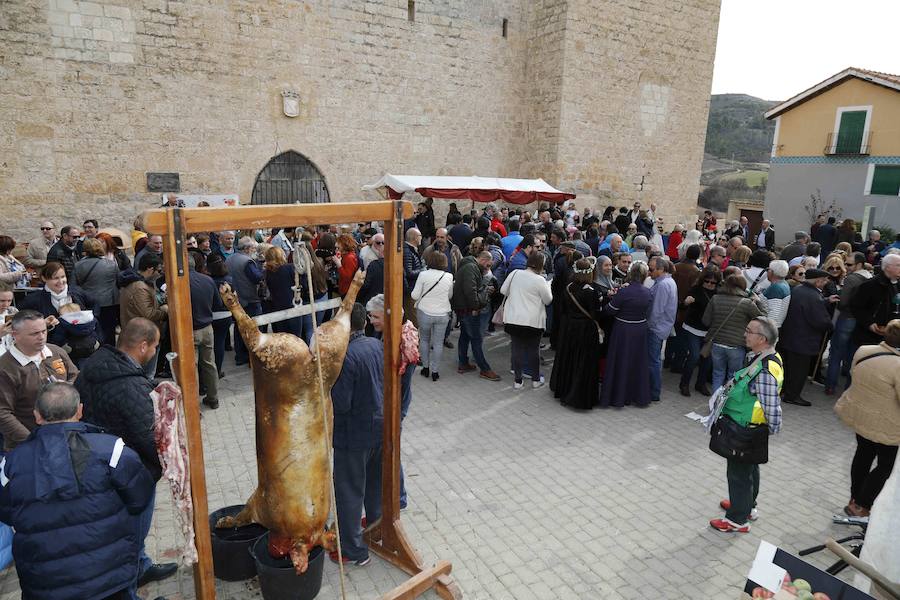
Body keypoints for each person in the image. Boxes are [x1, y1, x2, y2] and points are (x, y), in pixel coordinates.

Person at [0, 382, 159, 600]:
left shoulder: (11, 464)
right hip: (109, 577)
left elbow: (6, 512)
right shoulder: (112, 450)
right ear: (80, 411)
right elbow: (140, 497)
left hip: (45, 584)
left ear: (36, 416)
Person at [74, 317, 179, 588]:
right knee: (134, 529)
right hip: (131, 471)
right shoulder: (129, 386)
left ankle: (138, 564)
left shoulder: (95, 366)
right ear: (143, 346)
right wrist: (173, 467)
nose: (156, 351)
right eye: (155, 346)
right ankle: (131, 577)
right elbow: (150, 438)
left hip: (97, 463)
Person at [709, 317, 784, 533]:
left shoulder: (766, 368)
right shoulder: (762, 357)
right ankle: (747, 506)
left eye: (749, 331)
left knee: (738, 474)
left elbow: (771, 404)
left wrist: (773, 428)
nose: (745, 334)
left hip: (746, 429)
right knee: (750, 469)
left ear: (762, 339)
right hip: (748, 426)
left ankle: (736, 520)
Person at [329, 303, 383, 566]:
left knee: (349, 491)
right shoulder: (376, 345)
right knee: (374, 484)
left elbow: (342, 403)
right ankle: (376, 527)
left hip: (354, 436)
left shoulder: (345, 357)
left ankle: (354, 550)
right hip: (378, 427)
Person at [834, 319, 900, 518]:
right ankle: (862, 504)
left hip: (861, 417)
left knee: (863, 456)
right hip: (888, 426)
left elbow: (855, 374)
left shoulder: (864, 350)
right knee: (885, 466)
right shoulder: (898, 365)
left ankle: (854, 499)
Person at [0, 310, 78, 450]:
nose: (41, 337)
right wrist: (32, 441)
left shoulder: (56, 352)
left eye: (44, 331)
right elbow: (3, 413)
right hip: (26, 446)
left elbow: (75, 376)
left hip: (66, 438)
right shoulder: (5, 368)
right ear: (15, 335)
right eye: (34, 334)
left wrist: (66, 388)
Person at [779, 268, 835, 406]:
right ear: (818, 281)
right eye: (824, 280)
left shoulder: (799, 289)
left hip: (791, 337)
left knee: (789, 367)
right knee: (799, 370)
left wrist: (826, 301)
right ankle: (792, 396)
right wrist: (830, 326)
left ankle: (785, 391)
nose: (825, 283)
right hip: (804, 340)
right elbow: (820, 319)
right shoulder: (813, 296)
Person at [702, 274, 767, 391]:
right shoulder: (747, 303)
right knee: (733, 376)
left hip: (716, 343)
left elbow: (706, 321)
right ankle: (727, 404)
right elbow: (763, 319)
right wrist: (758, 302)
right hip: (737, 346)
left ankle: (715, 403)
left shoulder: (715, 298)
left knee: (717, 374)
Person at [600, 262, 652, 408]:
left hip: (623, 329)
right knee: (637, 362)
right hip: (640, 329)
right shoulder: (648, 292)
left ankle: (618, 396)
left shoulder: (624, 292)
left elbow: (609, 310)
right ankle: (636, 395)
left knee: (620, 361)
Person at [503, 252, 553, 391]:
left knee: (516, 349)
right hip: (533, 321)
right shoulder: (540, 280)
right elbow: (548, 300)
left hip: (513, 319)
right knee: (533, 351)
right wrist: (548, 284)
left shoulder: (514, 274)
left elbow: (503, 291)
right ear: (541, 265)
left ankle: (518, 381)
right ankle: (536, 380)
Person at [21, 261, 97, 348]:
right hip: (52, 346)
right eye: (55, 278)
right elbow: (22, 320)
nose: (61, 281)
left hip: (82, 345)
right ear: (44, 278)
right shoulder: (34, 299)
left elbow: (94, 303)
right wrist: (43, 323)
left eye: (63, 277)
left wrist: (91, 319)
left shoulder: (77, 292)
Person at [826, 252, 871, 394]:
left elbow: (843, 302)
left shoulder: (852, 279)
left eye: (849, 264)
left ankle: (830, 386)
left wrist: (838, 299)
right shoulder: (871, 278)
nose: (846, 266)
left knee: (836, 353)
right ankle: (848, 388)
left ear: (859, 265)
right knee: (852, 355)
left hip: (846, 319)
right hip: (860, 321)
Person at [452, 251, 499, 381]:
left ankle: (463, 363)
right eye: (488, 265)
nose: (488, 268)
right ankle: (485, 369)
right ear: (483, 260)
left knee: (465, 336)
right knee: (476, 339)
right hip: (468, 310)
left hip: (464, 309)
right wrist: (480, 300)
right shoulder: (471, 269)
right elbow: (471, 293)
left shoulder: (469, 266)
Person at [119, 253, 168, 377]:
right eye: (159, 270)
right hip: (143, 335)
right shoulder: (140, 287)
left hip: (137, 333)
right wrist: (165, 312)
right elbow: (148, 313)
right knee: (147, 374)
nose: (160, 273)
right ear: (150, 269)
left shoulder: (137, 283)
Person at [412, 252, 454, 382]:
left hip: (424, 312)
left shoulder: (423, 275)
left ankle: (425, 368)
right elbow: (450, 296)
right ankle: (435, 371)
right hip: (443, 314)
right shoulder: (449, 276)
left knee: (424, 340)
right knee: (438, 342)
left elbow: (414, 295)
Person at [679, 265, 720, 396]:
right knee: (694, 356)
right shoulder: (696, 289)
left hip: (708, 332)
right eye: (707, 281)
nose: (709, 284)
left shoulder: (719, 292)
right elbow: (682, 307)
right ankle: (684, 384)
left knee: (707, 359)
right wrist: (686, 303)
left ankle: (700, 384)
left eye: (713, 282)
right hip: (692, 328)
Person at [187, 253, 221, 409]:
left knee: (191, 367)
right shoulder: (208, 280)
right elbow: (217, 304)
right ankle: (213, 398)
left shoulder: (180, 283)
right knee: (209, 364)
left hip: (189, 330)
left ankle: (193, 405)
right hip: (208, 328)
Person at [74, 237, 120, 344]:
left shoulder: (78, 265)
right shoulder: (111, 264)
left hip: (88, 303)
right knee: (109, 333)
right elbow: (118, 282)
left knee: (92, 331)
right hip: (109, 303)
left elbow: (74, 285)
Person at [226, 236, 263, 366]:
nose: (255, 250)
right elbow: (257, 278)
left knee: (238, 327)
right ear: (247, 248)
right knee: (253, 328)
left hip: (237, 299)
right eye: (253, 247)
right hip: (249, 299)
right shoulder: (247, 261)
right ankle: (252, 356)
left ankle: (240, 356)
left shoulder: (229, 259)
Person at [850, 253, 900, 351]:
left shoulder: (898, 285)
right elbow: (856, 307)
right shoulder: (870, 285)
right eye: (898, 265)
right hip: (868, 338)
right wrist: (869, 323)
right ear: (888, 267)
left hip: (893, 338)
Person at [647, 256, 677, 402]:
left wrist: (649, 326)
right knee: (655, 360)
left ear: (661, 269)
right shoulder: (667, 282)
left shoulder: (663, 285)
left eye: (651, 269)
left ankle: (653, 392)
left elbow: (656, 311)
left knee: (653, 361)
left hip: (656, 329)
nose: (649, 272)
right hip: (661, 327)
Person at [264, 246, 301, 338]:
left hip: (277, 308)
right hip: (292, 307)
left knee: (282, 339)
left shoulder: (267, 273)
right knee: (295, 339)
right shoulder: (290, 268)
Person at [206, 252, 232, 377]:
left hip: (211, 315)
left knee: (211, 345)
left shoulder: (208, 281)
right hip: (226, 315)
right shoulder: (229, 280)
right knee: (220, 343)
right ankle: (218, 369)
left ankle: (211, 370)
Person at [358, 233, 385, 308]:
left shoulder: (392, 262)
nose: (381, 245)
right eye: (378, 243)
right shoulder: (366, 252)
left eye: (383, 243)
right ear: (373, 243)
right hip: (373, 295)